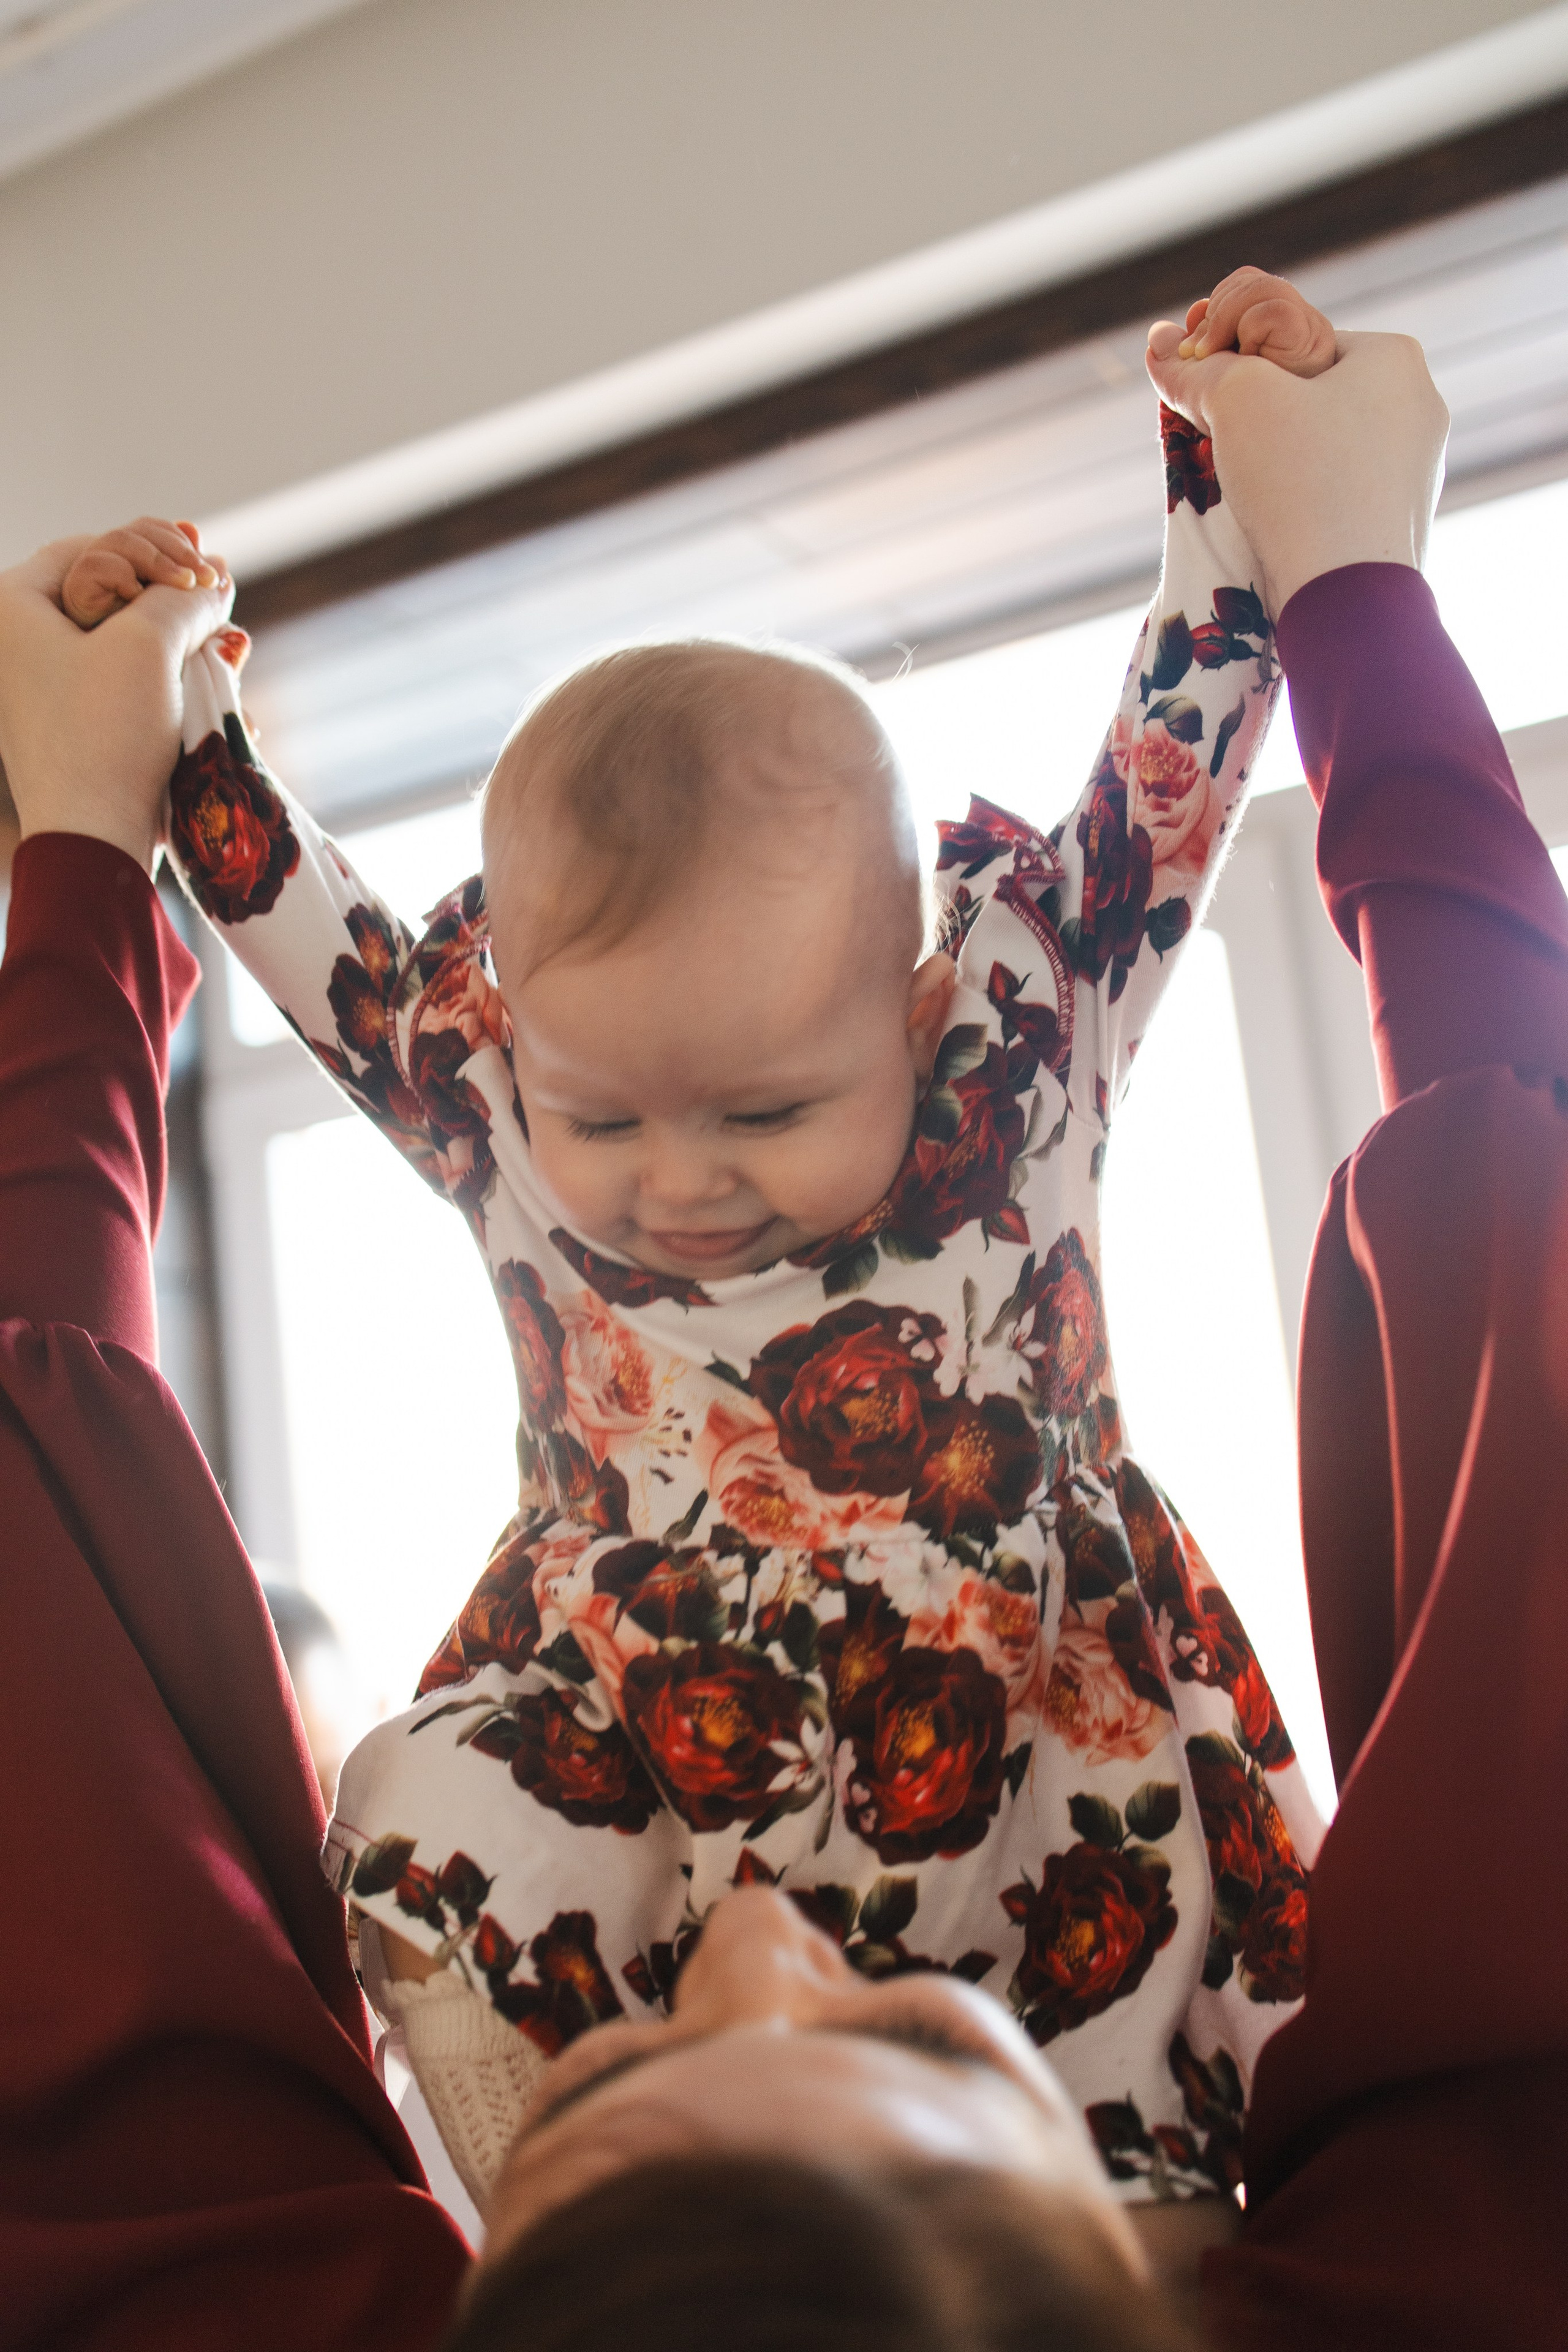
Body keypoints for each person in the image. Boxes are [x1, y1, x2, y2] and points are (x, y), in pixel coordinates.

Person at [2, 282, 1560, 2350]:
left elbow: (1159, 801)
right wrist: (1327, 531)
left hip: (1014, 1696)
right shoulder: (509, 1126)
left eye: (765, 1106)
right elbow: (332, 952)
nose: (672, 1175)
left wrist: (114, 778)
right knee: (437, 1791)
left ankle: (1121, 2178)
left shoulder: (1007, 1066)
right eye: (603, 1110)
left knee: (1114, 1887)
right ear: (525, 1044)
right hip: (660, 1739)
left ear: (920, 1006)